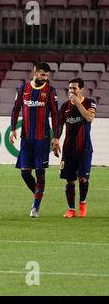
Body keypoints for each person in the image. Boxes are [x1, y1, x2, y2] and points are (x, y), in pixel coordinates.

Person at [9, 62, 60, 218]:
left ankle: (35, 206)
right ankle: (38, 193)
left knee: (39, 172)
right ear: (35, 72)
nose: (45, 78)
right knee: (25, 173)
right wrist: (12, 129)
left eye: (47, 75)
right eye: (42, 74)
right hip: (26, 138)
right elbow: (16, 109)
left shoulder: (50, 91)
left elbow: (55, 115)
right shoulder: (23, 89)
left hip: (42, 138)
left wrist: (56, 137)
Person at [59, 78, 96, 218]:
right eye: (70, 88)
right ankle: (71, 209)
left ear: (81, 89)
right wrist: (56, 139)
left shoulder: (89, 102)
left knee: (82, 178)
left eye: (74, 88)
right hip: (69, 148)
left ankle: (82, 204)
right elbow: (60, 124)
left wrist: (78, 104)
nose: (71, 91)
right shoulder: (65, 106)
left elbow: (89, 118)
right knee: (69, 180)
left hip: (84, 148)